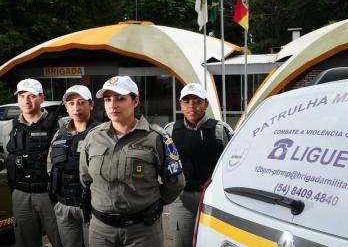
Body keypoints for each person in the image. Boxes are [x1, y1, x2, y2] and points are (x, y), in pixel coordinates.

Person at [79, 75, 185, 247]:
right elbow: (86, 178)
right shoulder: (93, 137)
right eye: (107, 99)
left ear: (135, 101)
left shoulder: (156, 137)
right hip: (101, 231)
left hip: (143, 230)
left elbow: (175, 182)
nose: (113, 105)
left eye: (120, 99)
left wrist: (155, 205)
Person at [164, 82, 233, 247]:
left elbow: (233, 162)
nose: (192, 106)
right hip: (182, 198)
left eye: (197, 101)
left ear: (206, 104)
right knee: (182, 242)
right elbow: (163, 162)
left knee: (213, 241)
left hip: (212, 197)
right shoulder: (171, 130)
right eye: (186, 102)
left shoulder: (220, 129)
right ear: (180, 104)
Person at [1, 78, 62, 247]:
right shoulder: (8, 128)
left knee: (61, 240)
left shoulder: (59, 125)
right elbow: (9, 158)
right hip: (21, 195)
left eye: (31, 96)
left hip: (50, 194)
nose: (26, 101)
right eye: (21, 96)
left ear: (42, 98)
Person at [47, 85, 99, 247]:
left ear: (91, 104)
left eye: (81, 102)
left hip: (92, 208)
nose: (76, 107)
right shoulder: (60, 133)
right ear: (66, 107)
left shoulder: (101, 133)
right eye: (71, 103)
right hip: (64, 206)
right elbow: (51, 165)